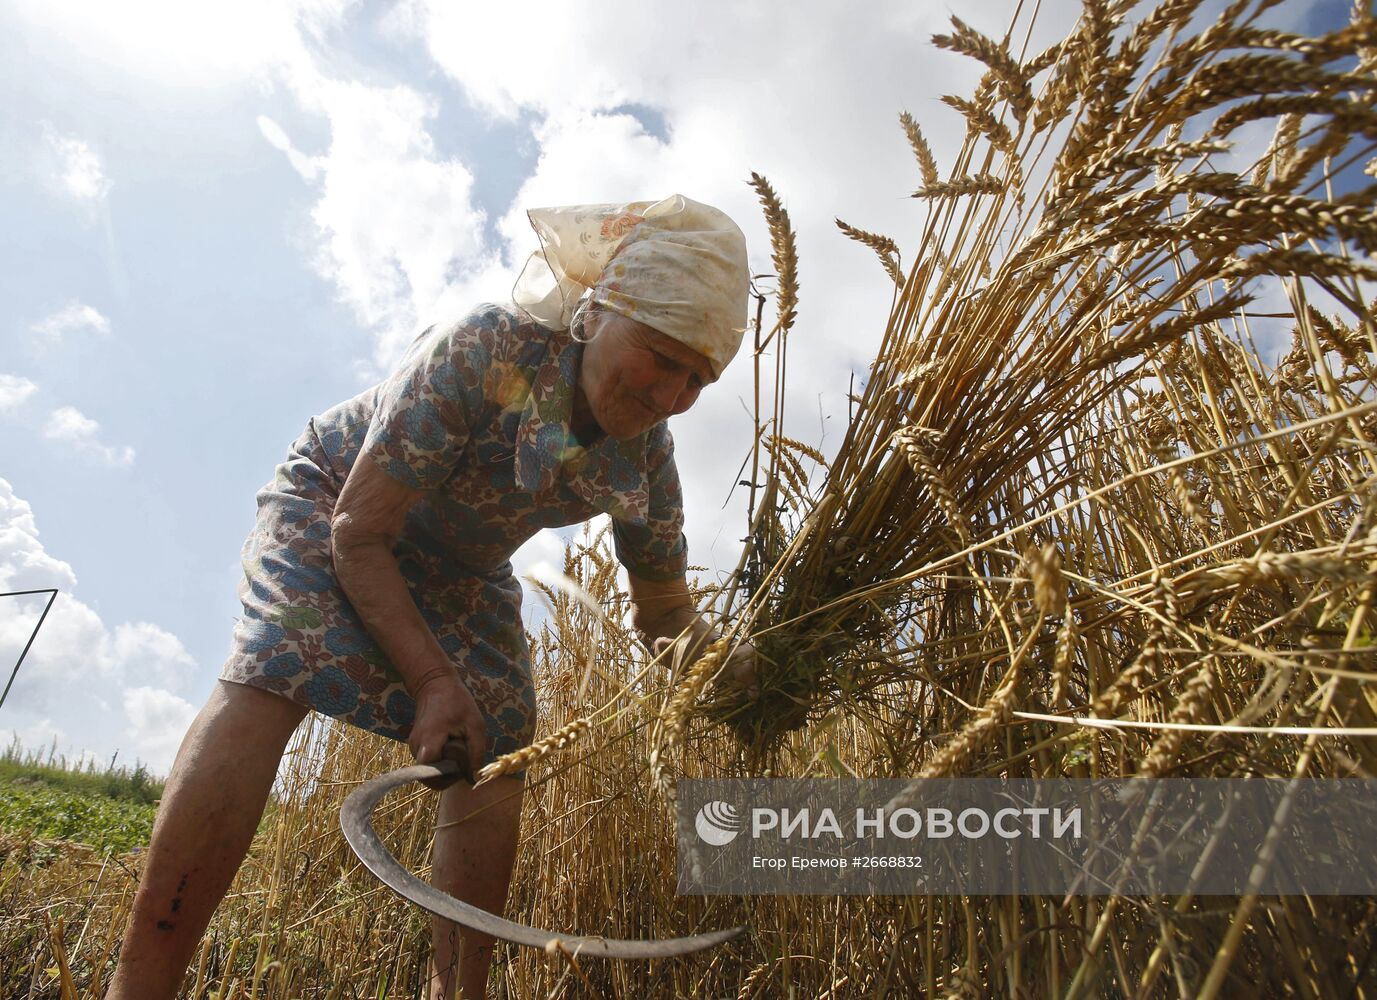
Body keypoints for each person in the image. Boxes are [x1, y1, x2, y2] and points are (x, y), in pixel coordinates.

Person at [105, 194, 757, 1000]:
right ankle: (141, 984)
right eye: (660, 355)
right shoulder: (486, 346)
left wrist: (752, 681)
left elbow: (664, 618)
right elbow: (360, 532)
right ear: (597, 313)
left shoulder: (645, 467)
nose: (669, 395)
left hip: (463, 572)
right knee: (276, 667)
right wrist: (431, 681)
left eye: (698, 377)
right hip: (340, 509)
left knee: (505, 743)